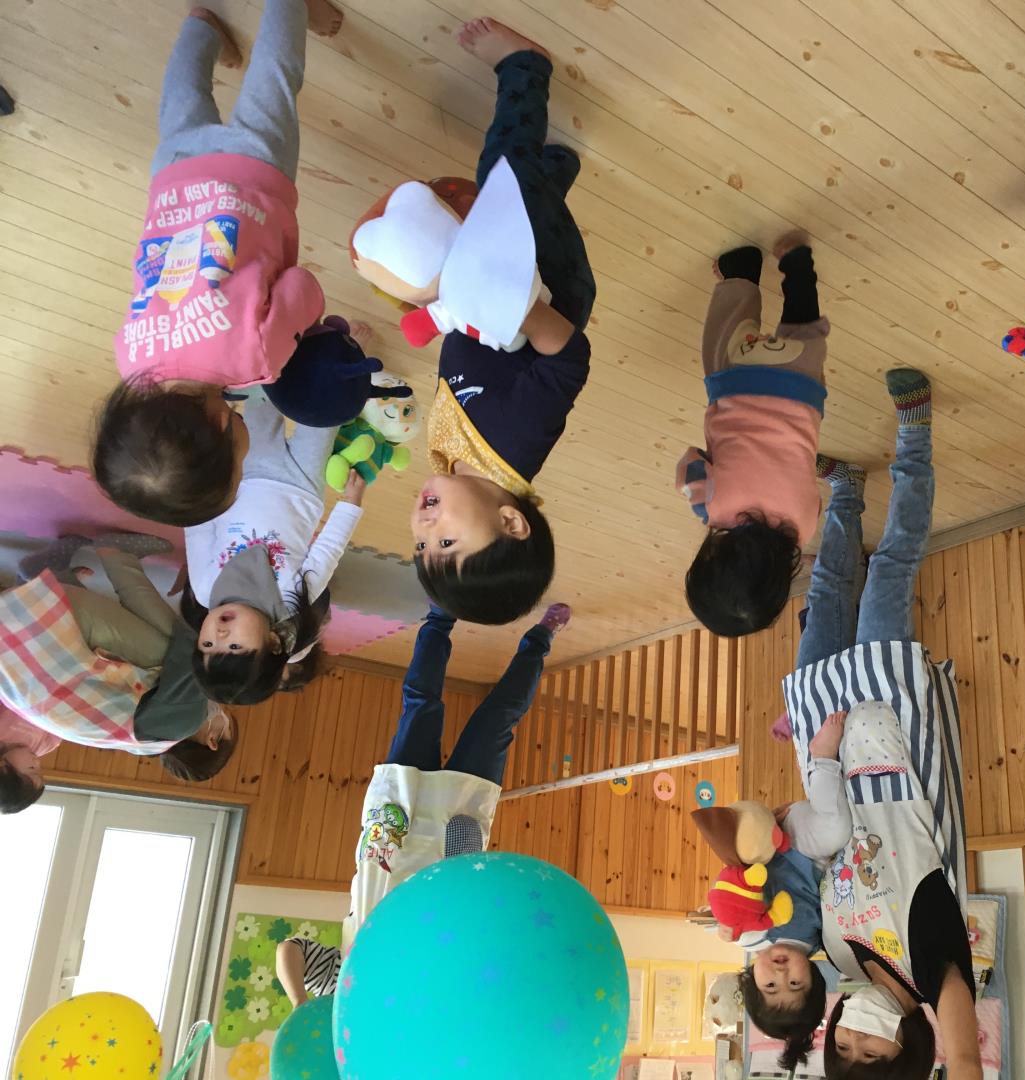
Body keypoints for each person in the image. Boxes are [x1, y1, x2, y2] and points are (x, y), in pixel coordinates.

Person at [778, 370, 982, 1079]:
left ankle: (846, 492)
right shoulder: (935, 973)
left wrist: (807, 776)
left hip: (828, 745)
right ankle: (914, 438)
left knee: (826, 593)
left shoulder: (836, 955)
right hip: (892, 733)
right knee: (891, 571)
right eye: (873, 1054)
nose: (856, 1039)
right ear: (908, 1050)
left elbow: (810, 849)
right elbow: (966, 1058)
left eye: (844, 1049)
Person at [94, 0, 342, 528]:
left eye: (238, 466)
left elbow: (303, 286)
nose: (247, 461)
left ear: (220, 425)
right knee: (183, 105)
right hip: (174, 178)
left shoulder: (255, 360)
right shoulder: (130, 362)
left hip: (255, 172)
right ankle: (200, 29)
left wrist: (298, 331)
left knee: (275, 80)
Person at [412, 18, 595, 624]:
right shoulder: (514, 443)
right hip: (539, 279)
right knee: (503, 172)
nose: (425, 529)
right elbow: (569, 361)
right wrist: (522, 307)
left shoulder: (456, 462)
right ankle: (524, 66)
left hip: (492, 282)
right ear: (511, 522)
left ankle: (554, 169)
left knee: (522, 187)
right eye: (446, 542)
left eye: (421, 548)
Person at [342, 600, 572, 949]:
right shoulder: (442, 958)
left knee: (420, 704)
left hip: (396, 813)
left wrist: (300, 989)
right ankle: (541, 639)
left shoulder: (353, 970)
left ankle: (442, 613)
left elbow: (292, 950)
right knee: (498, 719)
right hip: (456, 831)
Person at [0, 540, 237, 814]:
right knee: (160, 657)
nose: (221, 712)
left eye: (227, 723)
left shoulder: (180, 725)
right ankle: (87, 565)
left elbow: (191, 650)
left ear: (213, 739)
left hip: (42, 624)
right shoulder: (139, 744)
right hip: (21, 631)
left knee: (171, 649)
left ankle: (115, 554)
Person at [679, 235, 837, 637]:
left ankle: (797, 262)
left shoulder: (803, 529)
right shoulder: (710, 507)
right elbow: (690, 460)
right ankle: (740, 272)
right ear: (709, 559)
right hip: (736, 381)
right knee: (724, 331)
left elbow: (814, 497)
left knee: (803, 329)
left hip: (802, 392)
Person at [182, 393, 365, 706]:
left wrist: (199, 477)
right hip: (302, 486)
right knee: (325, 408)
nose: (219, 635)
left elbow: (199, 525)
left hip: (247, 472)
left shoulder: (204, 589)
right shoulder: (290, 600)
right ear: (273, 643)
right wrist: (351, 503)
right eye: (235, 647)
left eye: (207, 644)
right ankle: (339, 366)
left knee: (262, 394)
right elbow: (327, 551)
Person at [735, 711, 852, 1071]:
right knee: (839, 832)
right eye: (796, 983)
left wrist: (725, 925)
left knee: (833, 828)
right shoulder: (819, 943)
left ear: (753, 982)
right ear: (813, 978)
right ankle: (814, 747)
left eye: (771, 986)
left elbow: (731, 901)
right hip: (806, 849)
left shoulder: (753, 939)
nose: (782, 974)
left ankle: (820, 755)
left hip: (772, 843)